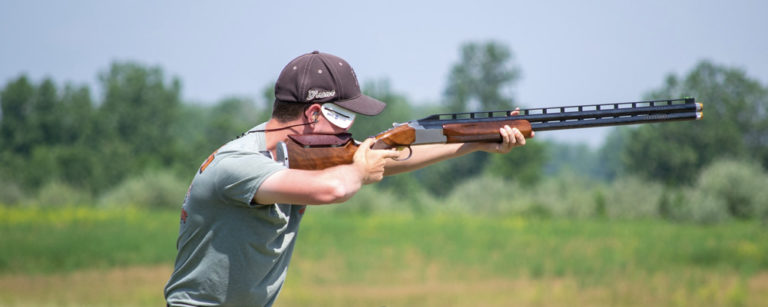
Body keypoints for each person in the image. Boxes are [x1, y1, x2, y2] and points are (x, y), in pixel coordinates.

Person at [164, 51, 531, 306]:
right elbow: (335, 187)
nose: (351, 129)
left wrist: (475, 143)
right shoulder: (238, 164)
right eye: (343, 115)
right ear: (312, 113)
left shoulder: (295, 155)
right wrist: (359, 169)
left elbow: (386, 159)